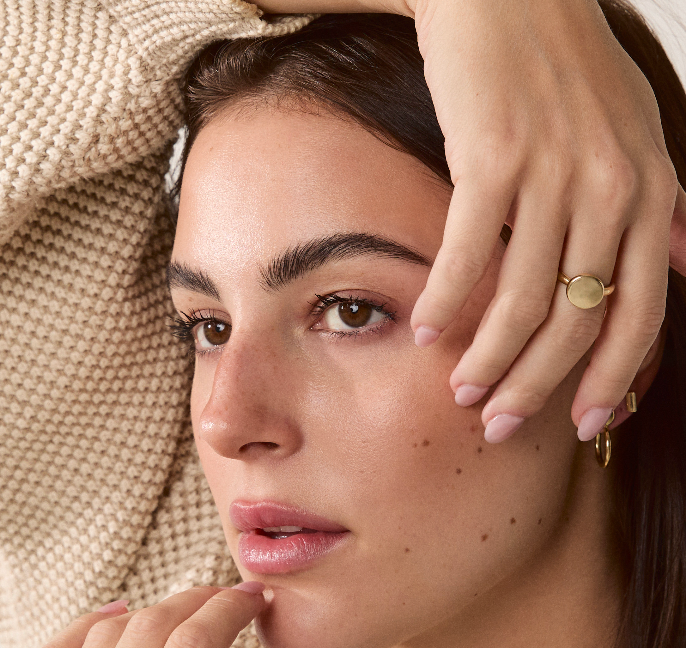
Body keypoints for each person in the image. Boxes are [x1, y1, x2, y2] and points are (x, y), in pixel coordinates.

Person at [1, 0, 682, 647]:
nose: (224, 423)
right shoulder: (142, 554)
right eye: (208, 327)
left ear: (613, 336)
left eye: (351, 312)